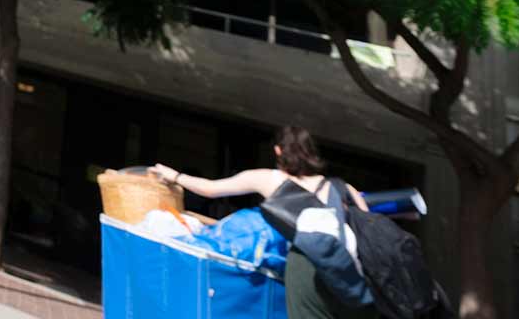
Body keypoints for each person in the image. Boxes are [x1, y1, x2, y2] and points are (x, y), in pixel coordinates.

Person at [151, 126, 373, 319]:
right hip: (349, 272)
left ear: (278, 150)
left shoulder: (270, 179)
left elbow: (210, 189)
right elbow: (367, 227)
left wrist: (175, 176)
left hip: (306, 267)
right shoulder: (343, 188)